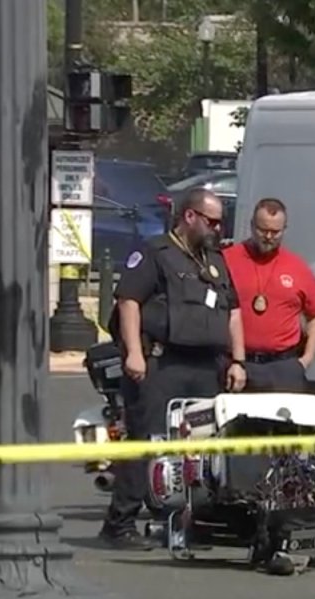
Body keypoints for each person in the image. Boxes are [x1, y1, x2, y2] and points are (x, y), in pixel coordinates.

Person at [98, 188, 247, 551]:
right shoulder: (155, 252)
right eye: (211, 221)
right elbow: (129, 301)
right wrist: (134, 352)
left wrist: (238, 360)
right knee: (147, 442)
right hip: (161, 362)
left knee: (199, 448)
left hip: (205, 365)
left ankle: (182, 521)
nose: (217, 227)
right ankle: (119, 523)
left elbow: (233, 312)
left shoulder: (214, 260)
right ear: (190, 216)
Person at [222, 198, 315, 392]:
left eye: (275, 232)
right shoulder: (227, 260)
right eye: (263, 230)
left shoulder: (297, 267)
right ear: (252, 226)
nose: (269, 237)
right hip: (238, 364)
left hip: (283, 367)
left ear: (284, 229)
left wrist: (306, 359)